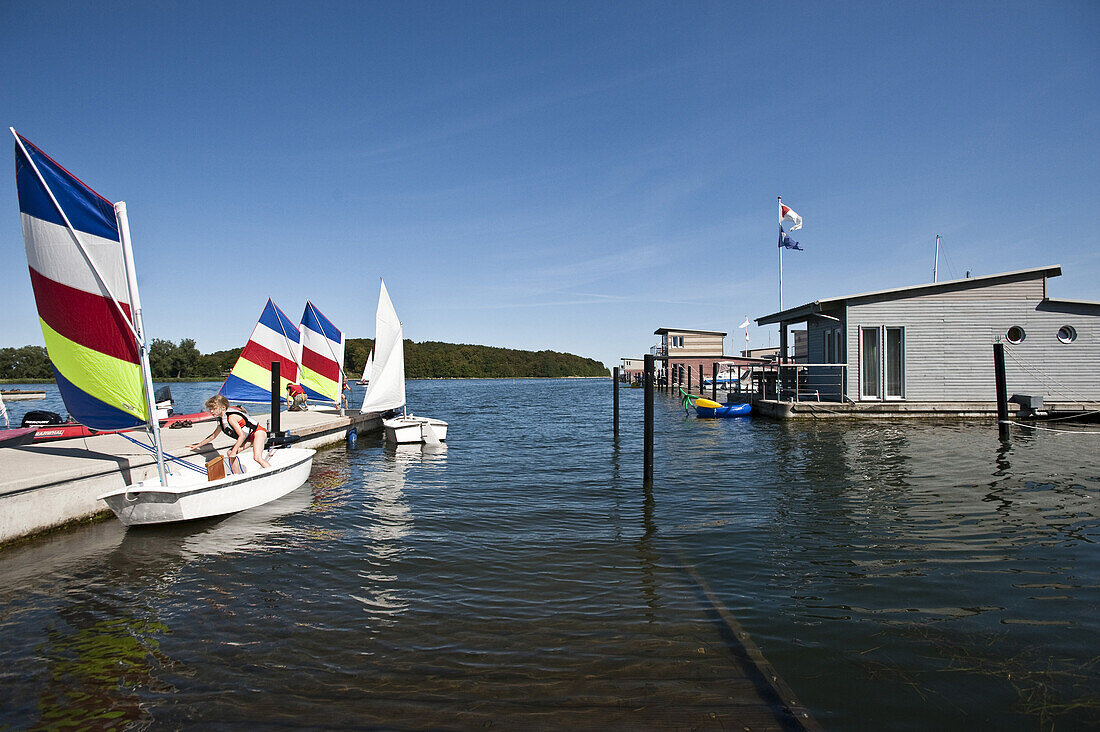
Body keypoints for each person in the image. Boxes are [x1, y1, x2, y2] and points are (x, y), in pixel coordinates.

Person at [187, 395, 270, 469]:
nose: (212, 411)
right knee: (230, 453)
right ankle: (237, 476)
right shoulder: (222, 420)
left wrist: (234, 451)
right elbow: (213, 436)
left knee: (257, 457)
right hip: (249, 437)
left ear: (223, 407)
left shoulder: (231, 418)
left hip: (258, 433)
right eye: (210, 409)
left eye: (214, 409)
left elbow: (241, 436)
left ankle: (271, 472)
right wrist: (198, 445)